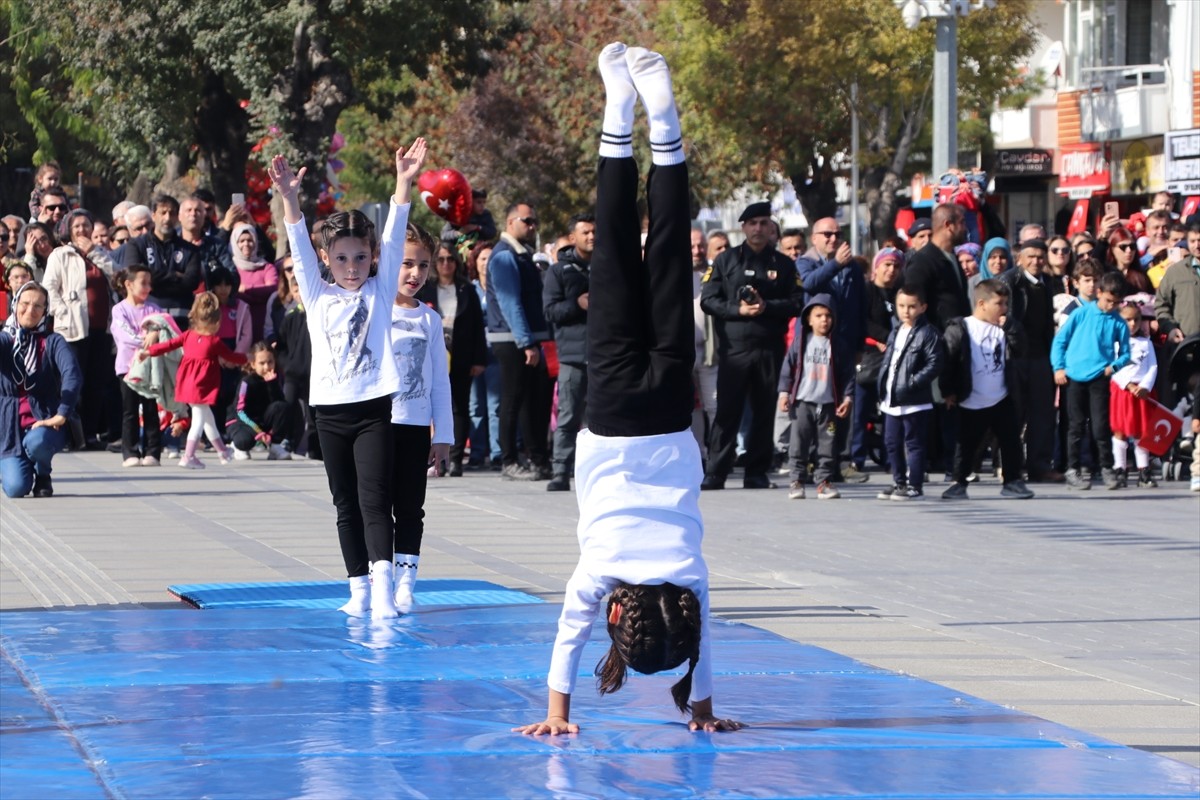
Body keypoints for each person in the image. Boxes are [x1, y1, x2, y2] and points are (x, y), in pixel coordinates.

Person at [514, 43, 740, 737]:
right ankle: (619, 108)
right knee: (613, 249)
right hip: (611, 410)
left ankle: (663, 123)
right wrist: (557, 716)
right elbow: (565, 642)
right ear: (619, 616)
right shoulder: (599, 573)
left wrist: (704, 710)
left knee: (669, 253)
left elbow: (703, 652)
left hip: (672, 409)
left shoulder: (691, 576)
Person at [269, 136, 427, 621]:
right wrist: (289, 199)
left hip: (373, 409)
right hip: (330, 411)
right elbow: (297, 243)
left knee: (374, 499)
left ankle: (384, 589)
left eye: (360, 258)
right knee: (344, 505)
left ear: (373, 258)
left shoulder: (380, 291)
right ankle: (357, 587)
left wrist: (403, 183)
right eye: (342, 259)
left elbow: (397, 236)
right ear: (326, 260)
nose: (352, 267)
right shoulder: (317, 295)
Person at [700, 201, 804, 490]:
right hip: (734, 349)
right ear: (743, 227)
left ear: (771, 227)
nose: (758, 228)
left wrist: (767, 306)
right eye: (752, 223)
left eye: (763, 223)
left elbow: (797, 302)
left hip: (768, 348)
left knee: (763, 411)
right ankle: (716, 472)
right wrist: (737, 310)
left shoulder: (783, 264)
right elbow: (708, 299)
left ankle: (756, 471)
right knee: (727, 413)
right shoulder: (726, 261)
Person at [390, 222, 453, 613]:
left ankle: (406, 582)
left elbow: (440, 383)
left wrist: (442, 434)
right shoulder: (375, 309)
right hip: (378, 425)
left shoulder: (429, 320)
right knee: (376, 508)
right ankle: (378, 578)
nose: (415, 274)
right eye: (407, 263)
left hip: (415, 427)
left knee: (411, 508)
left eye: (424, 266)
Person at [939, 280, 1035, 501]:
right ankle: (958, 482)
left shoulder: (1004, 327)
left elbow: (1021, 348)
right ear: (981, 303)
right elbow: (949, 360)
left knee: (1011, 441)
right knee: (967, 444)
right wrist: (948, 390)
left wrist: (1011, 327)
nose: (1004, 308)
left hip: (1001, 396)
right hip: (972, 398)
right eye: (999, 303)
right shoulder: (962, 327)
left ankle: (1012, 481)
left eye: (1006, 304)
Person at [138, 292, 247, 469]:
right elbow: (231, 357)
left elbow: (168, 345)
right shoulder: (214, 341)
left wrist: (149, 351)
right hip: (202, 386)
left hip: (187, 384)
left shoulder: (188, 335)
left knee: (207, 418)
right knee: (198, 420)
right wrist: (247, 358)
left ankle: (222, 452)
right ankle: (188, 456)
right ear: (217, 322)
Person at [486, 201, 553, 481]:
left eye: (534, 221)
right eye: (527, 220)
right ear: (511, 222)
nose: (532, 226)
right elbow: (510, 301)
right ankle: (509, 460)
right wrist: (525, 342)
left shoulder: (521, 254)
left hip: (527, 338)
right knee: (513, 400)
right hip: (512, 339)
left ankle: (537, 459)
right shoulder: (504, 256)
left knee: (533, 402)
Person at [1051, 272, 1131, 490]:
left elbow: (1125, 354)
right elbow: (1060, 341)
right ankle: (1072, 470)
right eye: (1107, 300)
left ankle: (1107, 468)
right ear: (1099, 293)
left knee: (1100, 426)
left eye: (1115, 303)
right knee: (1075, 426)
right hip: (1074, 377)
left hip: (1098, 378)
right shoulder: (1081, 314)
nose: (1110, 306)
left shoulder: (1119, 323)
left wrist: (1112, 367)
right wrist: (1058, 367)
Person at [0, 283, 81, 498]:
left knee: (38, 442)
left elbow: (72, 375)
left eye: (38, 306)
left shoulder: (53, 341)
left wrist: (62, 413)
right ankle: (18, 464)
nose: (30, 310)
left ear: (45, 311)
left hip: (44, 422)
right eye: (25, 304)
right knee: (16, 489)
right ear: (15, 305)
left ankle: (43, 472)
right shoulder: (5, 340)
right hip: (9, 428)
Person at [43, 210, 114, 449]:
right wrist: (63, 311)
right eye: (77, 227)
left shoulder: (101, 254)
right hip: (72, 328)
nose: (82, 230)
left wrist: (94, 252)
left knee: (96, 382)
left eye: (86, 225)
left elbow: (120, 277)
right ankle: (71, 435)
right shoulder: (60, 254)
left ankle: (90, 434)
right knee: (74, 382)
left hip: (101, 328)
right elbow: (49, 288)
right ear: (68, 231)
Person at [417, 243, 487, 477]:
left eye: (450, 259)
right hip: (433, 355)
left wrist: (479, 359)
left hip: (461, 355)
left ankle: (455, 458)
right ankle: (433, 457)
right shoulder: (426, 289)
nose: (446, 263)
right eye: (442, 259)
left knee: (459, 406)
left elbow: (478, 325)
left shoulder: (466, 289)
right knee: (432, 404)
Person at [777, 295, 854, 500]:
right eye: (818, 315)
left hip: (828, 404)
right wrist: (784, 393)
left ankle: (824, 481)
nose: (824, 320)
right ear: (809, 319)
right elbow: (788, 368)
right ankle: (797, 481)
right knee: (798, 443)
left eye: (828, 315)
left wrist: (847, 398)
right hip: (803, 402)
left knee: (827, 444)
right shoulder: (801, 342)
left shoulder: (838, 345)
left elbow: (847, 374)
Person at [999, 239, 1061, 483]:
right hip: (1014, 356)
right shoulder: (1010, 281)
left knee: (1042, 414)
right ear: (1020, 259)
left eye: (1040, 257)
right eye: (1031, 256)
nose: (1036, 261)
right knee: (1014, 413)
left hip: (1040, 356)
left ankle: (1039, 465)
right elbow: (1005, 318)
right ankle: (1011, 467)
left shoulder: (1046, 283)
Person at [875, 285, 944, 501]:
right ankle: (899, 482)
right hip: (892, 397)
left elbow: (935, 363)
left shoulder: (928, 333)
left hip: (914, 400)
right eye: (901, 306)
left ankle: (914, 485)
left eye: (912, 306)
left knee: (914, 443)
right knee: (891, 442)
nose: (906, 311)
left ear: (923, 307)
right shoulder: (896, 330)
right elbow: (890, 360)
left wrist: (914, 382)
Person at [542, 213, 594, 491]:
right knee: (568, 415)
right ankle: (560, 470)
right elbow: (550, 311)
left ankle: (597, 469)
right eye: (585, 232)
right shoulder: (558, 271)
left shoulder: (608, 266)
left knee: (600, 417)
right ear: (573, 237)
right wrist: (578, 304)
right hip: (573, 356)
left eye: (594, 231)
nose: (591, 236)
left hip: (604, 355)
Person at [117, 195, 203, 331]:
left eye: (172, 213)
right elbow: (135, 277)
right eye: (163, 213)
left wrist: (153, 280)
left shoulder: (190, 250)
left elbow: (191, 282)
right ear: (153, 215)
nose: (167, 218)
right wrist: (175, 276)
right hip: (147, 321)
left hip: (181, 321)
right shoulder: (137, 245)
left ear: (177, 217)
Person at [110, 265, 164, 467]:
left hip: (151, 367)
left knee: (151, 409)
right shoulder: (119, 309)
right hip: (128, 367)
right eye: (143, 283)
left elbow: (165, 327)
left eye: (150, 283)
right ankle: (130, 451)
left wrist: (157, 333)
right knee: (130, 410)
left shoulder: (155, 309)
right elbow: (125, 337)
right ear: (129, 284)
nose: (148, 287)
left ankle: (153, 451)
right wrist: (148, 339)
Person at [1109, 301, 1159, 489]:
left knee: (1141, 431)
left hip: (1142, 393)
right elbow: (1113, 367)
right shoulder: (1114, 342)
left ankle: (1143, 470)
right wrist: (1128, 384)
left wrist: (1145, 385)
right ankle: (1119, 469)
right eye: (1127, 319)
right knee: (1121, 430)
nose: (1132, 324)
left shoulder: (1146, 342)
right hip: (1123, 392)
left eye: (1136, 319)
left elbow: (1153, 365)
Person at [903, 203, 970, 332]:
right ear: (948, 225)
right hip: (937, 344)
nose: (965, 228)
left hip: (959, 341)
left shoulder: (953, 257)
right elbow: (913, 308)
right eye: (961, 223)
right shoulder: (922, 261)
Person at [225, 341, 293, 461]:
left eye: (270, 362)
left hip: (261, 420)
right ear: (253, 364)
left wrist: (272, 385)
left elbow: (280, 407)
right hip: (242, 422)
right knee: (244, 442)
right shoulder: (246, 382)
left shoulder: (275, 379)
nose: (267, 367)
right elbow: (240, 412)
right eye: (262, 363)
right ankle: (237, 446)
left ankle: (275, 446)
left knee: (283, 406)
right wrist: (258, 432)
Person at [467, 242, 501, 469]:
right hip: (473, 355)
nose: (486, 262)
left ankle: (498, 453)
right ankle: (477, 454)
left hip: (497, 353)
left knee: (496, 405)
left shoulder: (501, 287)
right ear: (475, 262)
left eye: (490, 258)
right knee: (475, 405)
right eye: (482, 258)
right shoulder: (470, 289)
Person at [230, 221, 278, 342]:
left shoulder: (267, 267)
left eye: (250, 240)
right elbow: (231, 293)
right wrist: (259, 295)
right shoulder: (231, 267)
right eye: (241, 241)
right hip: (236, 323)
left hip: (262, 323)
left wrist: (245, 289)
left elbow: (272, 290)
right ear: (235, 243)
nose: (246, 244)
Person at [1154, 222, 1200, 345]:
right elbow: (1161, 305)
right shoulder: (1176, 272)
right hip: (1186, 345)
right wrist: (1170, 329)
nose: (1197, 245)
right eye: (1192, 241)